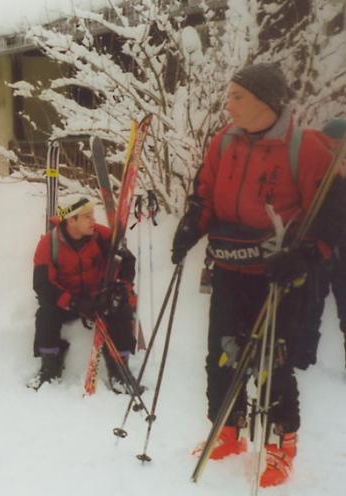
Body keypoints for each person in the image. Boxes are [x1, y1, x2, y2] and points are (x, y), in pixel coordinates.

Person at [171, 63, 346, 488]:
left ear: (266, 102)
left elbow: (333, 216)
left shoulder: (306, 149)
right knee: (222, 354)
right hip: (229, 266)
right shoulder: (222, 142)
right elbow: (205, 192)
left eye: (237, 97)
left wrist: (306, 255)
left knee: (273, 362)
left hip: (278, 275)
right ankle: (227, 430)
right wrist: (193, 223)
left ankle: (280, 444)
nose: (228, 104)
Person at [28, 197, 137, 391]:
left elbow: (127, 261)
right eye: (87, 217)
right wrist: (74, 303)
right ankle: (49, 367)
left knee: (121, 310)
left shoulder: (102, 236)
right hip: (69, 301)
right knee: (46, 313)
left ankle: (119, 370)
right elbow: (43, 284)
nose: (93, 221)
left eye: (93, 215)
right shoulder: (48, 244)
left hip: (99, 297)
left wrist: (121, 285)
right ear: (71, 220)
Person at [293, 118, 346, 369]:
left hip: (335, 247)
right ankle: (302, 361)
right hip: (321, 247)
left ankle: (303, 359)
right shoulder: (318, 168)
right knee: (310, 304)